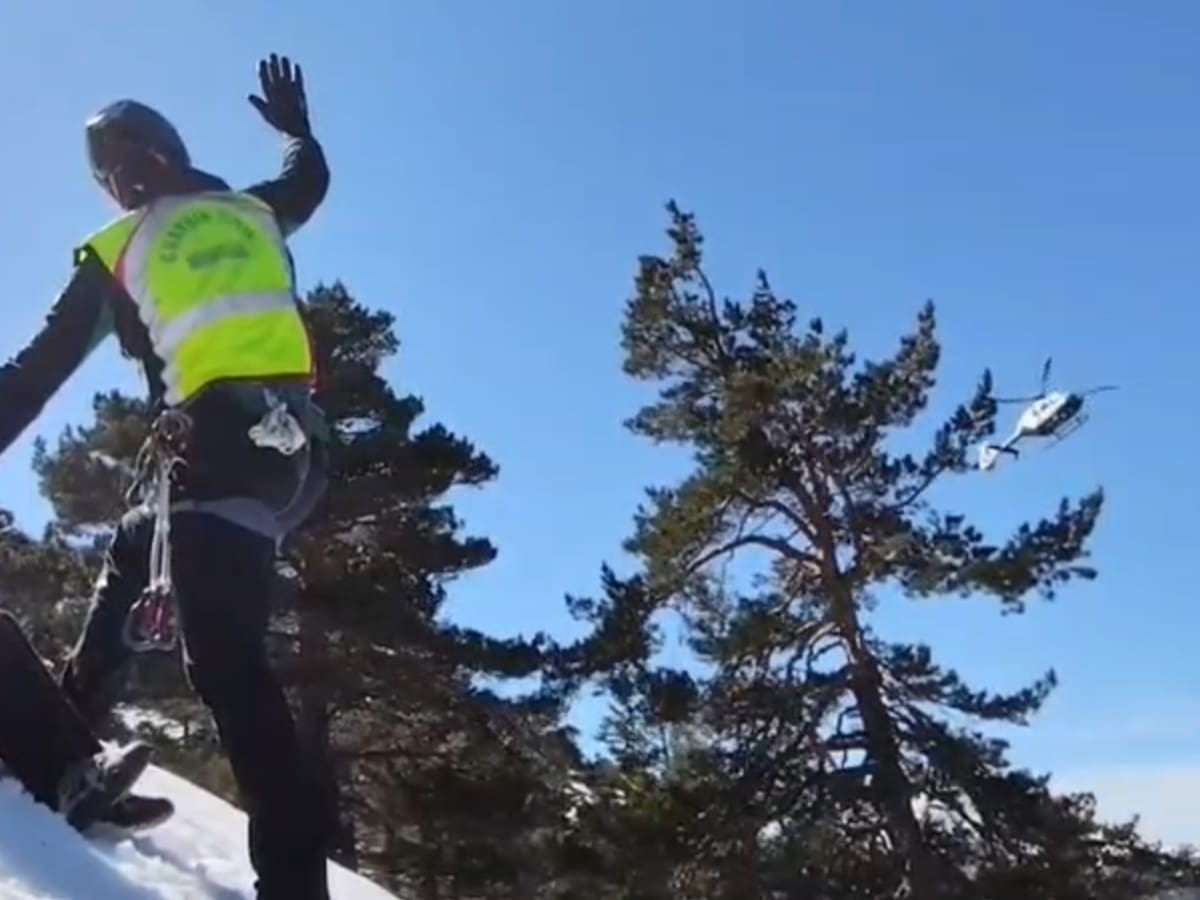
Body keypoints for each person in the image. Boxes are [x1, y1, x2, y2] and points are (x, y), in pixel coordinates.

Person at [0, 54, 333, 899]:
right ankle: (74, 745)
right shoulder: (252, 210)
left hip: (216, 443)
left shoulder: (123, 246)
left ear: (117, 183)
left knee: (225, 665)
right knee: (138, 553)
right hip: (299, 456)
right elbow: (310, 182)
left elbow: (35, 375)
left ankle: (293, 887)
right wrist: (298, 133)